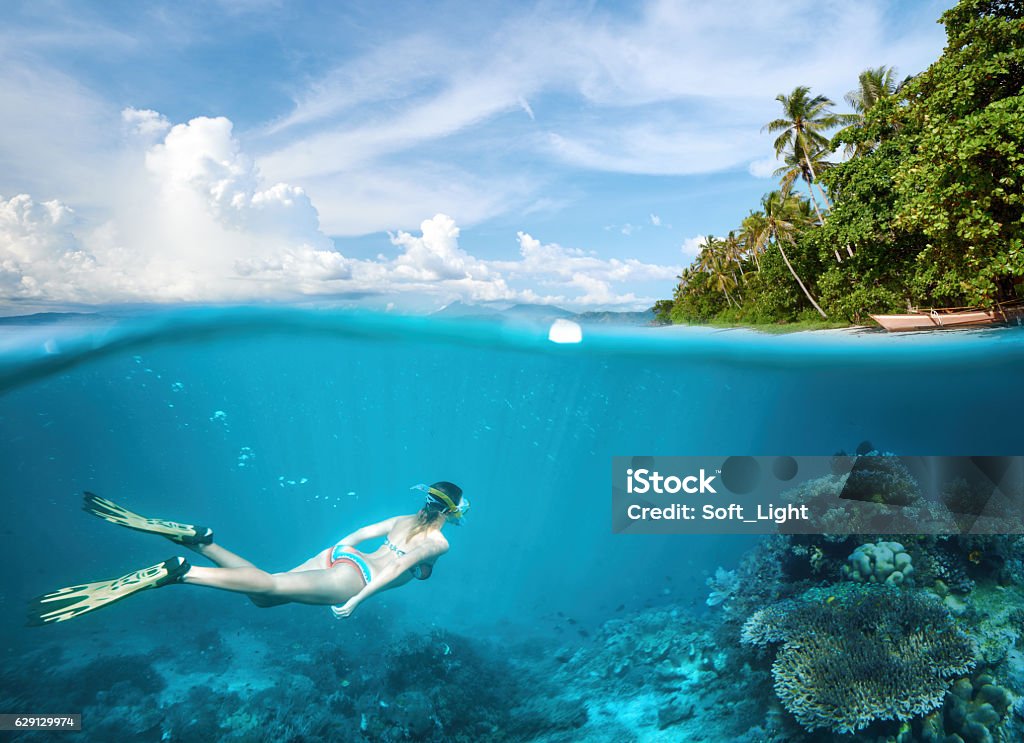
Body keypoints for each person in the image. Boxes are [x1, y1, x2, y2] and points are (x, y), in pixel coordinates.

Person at [27, 482, 468, 625]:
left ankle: (202, 542)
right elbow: (395, 573)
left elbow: (355, 535)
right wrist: (351, 600)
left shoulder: (400, 519)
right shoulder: (439, 543)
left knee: (264, 593)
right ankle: (182, 571)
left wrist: (327, 552)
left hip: (337, 556)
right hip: (353, 579)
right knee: (271, 587)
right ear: (453, 514)